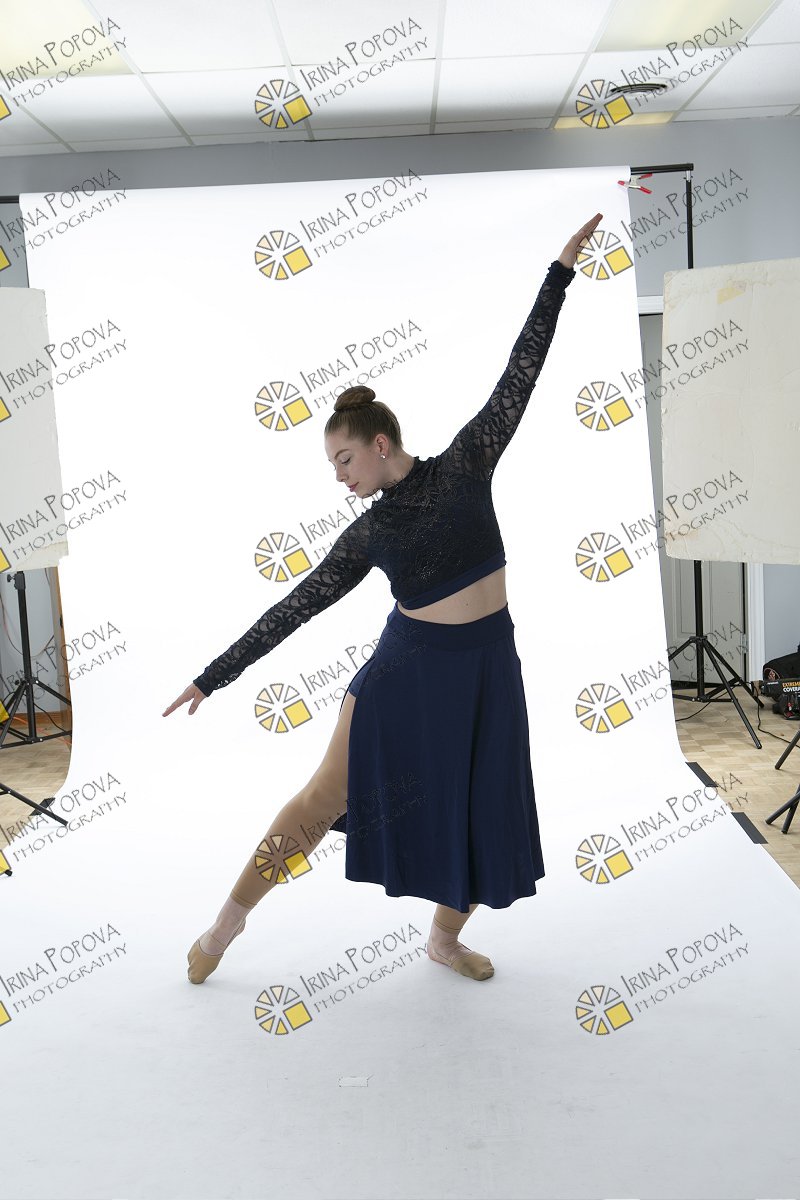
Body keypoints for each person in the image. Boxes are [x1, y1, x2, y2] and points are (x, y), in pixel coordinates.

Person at [164, 212, 603, 985]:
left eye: (343, 459)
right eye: (331, 466)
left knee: (482, 809)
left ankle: (443, 940)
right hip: (406, 676)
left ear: (378, 442)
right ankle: (224, 926)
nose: (340, 477)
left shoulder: (466, 464)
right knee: (320, 800)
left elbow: (521, 371)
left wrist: (559, 274)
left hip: (487, 667)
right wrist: (212, 676)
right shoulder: (368, 534)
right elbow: (295, 607)